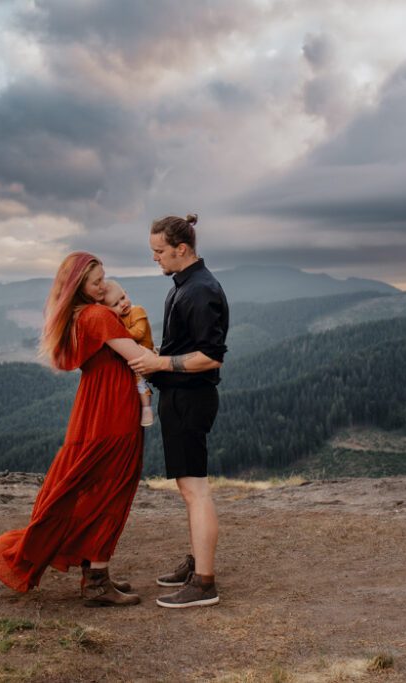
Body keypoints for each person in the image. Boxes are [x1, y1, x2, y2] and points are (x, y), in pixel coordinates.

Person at [0, 252, 156, 607]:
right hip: (113, 411)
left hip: (96, 409)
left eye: (103, 278)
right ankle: (95, 580)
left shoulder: (82, 315)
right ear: (79, 287)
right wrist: (183, 363)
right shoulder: (97, 315)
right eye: (96, 282)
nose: (103, 285)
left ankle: (96, 573)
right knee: (112, 489)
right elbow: (138, 356)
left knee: (96, 487)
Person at [129, 213, 229, 609]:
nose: (155, 258)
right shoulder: (183, 285)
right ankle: (196, 563)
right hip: (179, 398)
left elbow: (211, 357)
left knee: (196, 491)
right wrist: (157, 358)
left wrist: (160, 365)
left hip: (191, 400)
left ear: (181, 249)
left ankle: (205, 583)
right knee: (189, 490)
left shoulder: (201, 290)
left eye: (159, 251)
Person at [102, 279, 155, 427]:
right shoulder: (117, 319)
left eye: (123, 298)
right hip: (130, 357)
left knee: (139, 378)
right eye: (115, 304)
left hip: (145, 353)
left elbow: (139, 333)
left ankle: (146, 407)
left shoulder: (137, 310)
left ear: (126, 292)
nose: (123, 304)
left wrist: (117, 333)